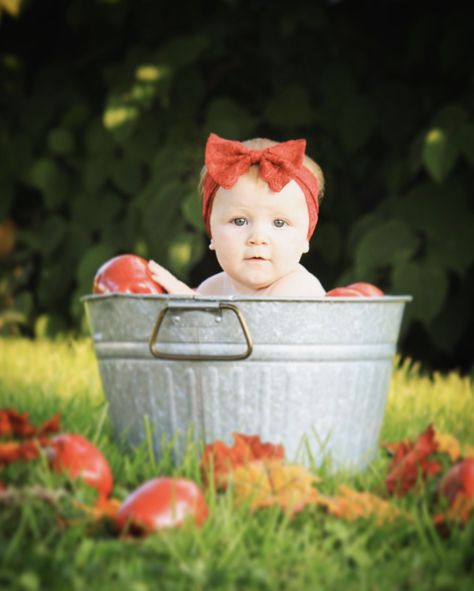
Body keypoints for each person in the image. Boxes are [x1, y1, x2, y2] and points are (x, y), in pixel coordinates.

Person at [148, 132, 326, 296]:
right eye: (239, 221)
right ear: (212, 232)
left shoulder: (298, 289)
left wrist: (193, 306)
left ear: (305, 238)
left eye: (279, 223)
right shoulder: (212, 289)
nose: (257, 237)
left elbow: (260, 328)